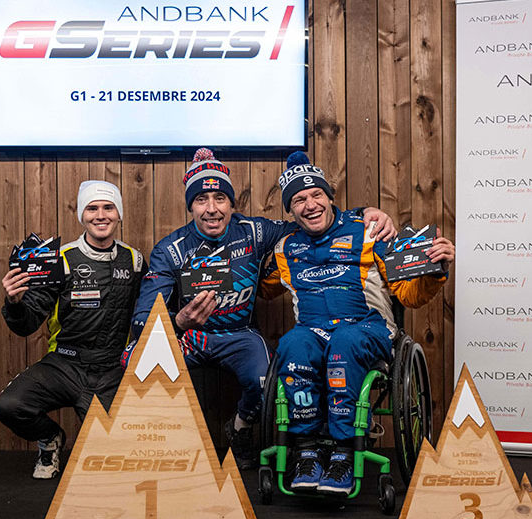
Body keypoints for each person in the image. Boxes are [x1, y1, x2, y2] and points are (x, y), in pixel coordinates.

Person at [127, 148, 396, 470]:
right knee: (133, 358)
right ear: (190, 206)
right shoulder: (170, 250)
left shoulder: (254, 231)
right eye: (201, 200)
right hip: (190, 336)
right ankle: (150, 447)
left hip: (238, 335)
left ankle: (240, 429)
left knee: (266, 381)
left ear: (231, 203)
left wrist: (366, 212)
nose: (211, 209)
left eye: (220, 198)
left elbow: (313, 220)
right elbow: (141, 322)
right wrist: (180, 321)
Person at [262, 152, 454, 494]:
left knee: (344, 343)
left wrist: (436, 269)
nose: (310, 204)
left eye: (316, 194)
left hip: (367, 328)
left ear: (329, 197)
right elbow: (260, 289)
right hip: (312, 332)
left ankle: (344, 453)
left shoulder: (368, 232)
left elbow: (408, 295)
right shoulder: (285, 248)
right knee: (292, 344)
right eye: (299, 200)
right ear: (290, 210)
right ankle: (306, 452)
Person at [0, 180, 146, 479]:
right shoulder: (59, 260)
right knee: (9, 405)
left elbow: (148, 313)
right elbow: (27, 324)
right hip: (64, 364)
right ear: (82, 215)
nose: (100, 215)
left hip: (111, 369)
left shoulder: (135, 260)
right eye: (92, 208)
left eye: (108, 207)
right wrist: (14, 303)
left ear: (119, 214)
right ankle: (50, 439)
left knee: (114, 469)